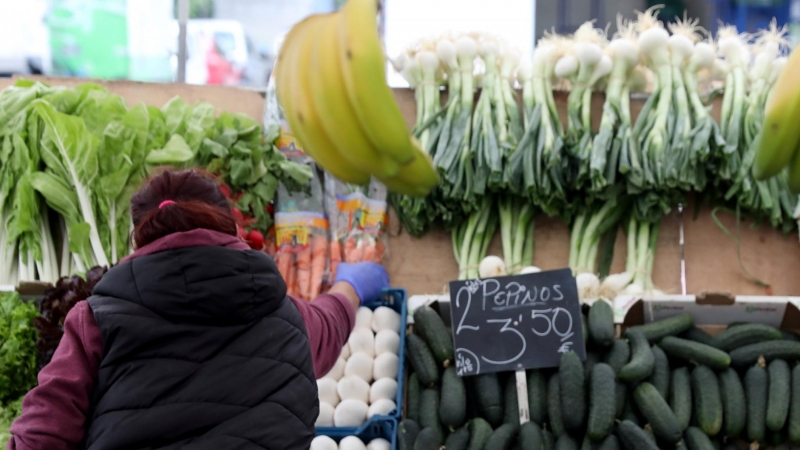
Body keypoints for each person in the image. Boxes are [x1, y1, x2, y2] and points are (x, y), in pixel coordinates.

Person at [7, 169, 389, 450]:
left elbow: (41, 434)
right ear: (232, 227)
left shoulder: (96, 318)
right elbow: (329, 325)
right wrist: (348, 287)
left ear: (139, 238)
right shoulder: (285, 314)